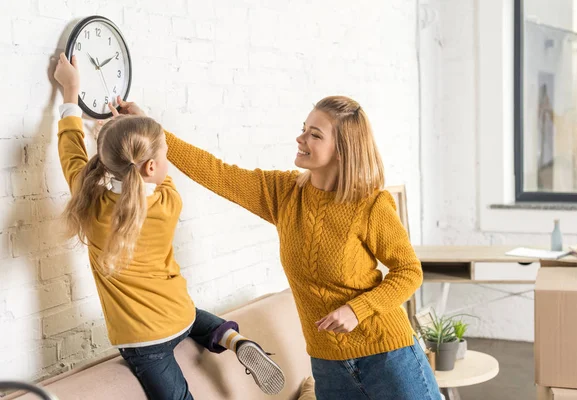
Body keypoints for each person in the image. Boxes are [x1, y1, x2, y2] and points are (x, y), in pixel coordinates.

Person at [111, 94, 440, 399]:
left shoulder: (371, 205)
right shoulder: (285, 194)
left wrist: (357, 310)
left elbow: (409, 272)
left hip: (387, 356)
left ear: (342, 149)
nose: (301, 138)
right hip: (328, 364)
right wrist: (151, 132)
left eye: (315, 134)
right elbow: (216, 173)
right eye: (303, 129)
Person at [52, 52, 285, 400]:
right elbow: (155, 172)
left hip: (145, 340)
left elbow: (70, 153)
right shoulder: (168, 202)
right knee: (198, 319)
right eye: (162, 156)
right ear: (150, 168)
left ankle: (225, 337)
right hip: (180, 313)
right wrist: (139, 122)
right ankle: (230, 337)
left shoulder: (91, 207)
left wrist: (71, 91)